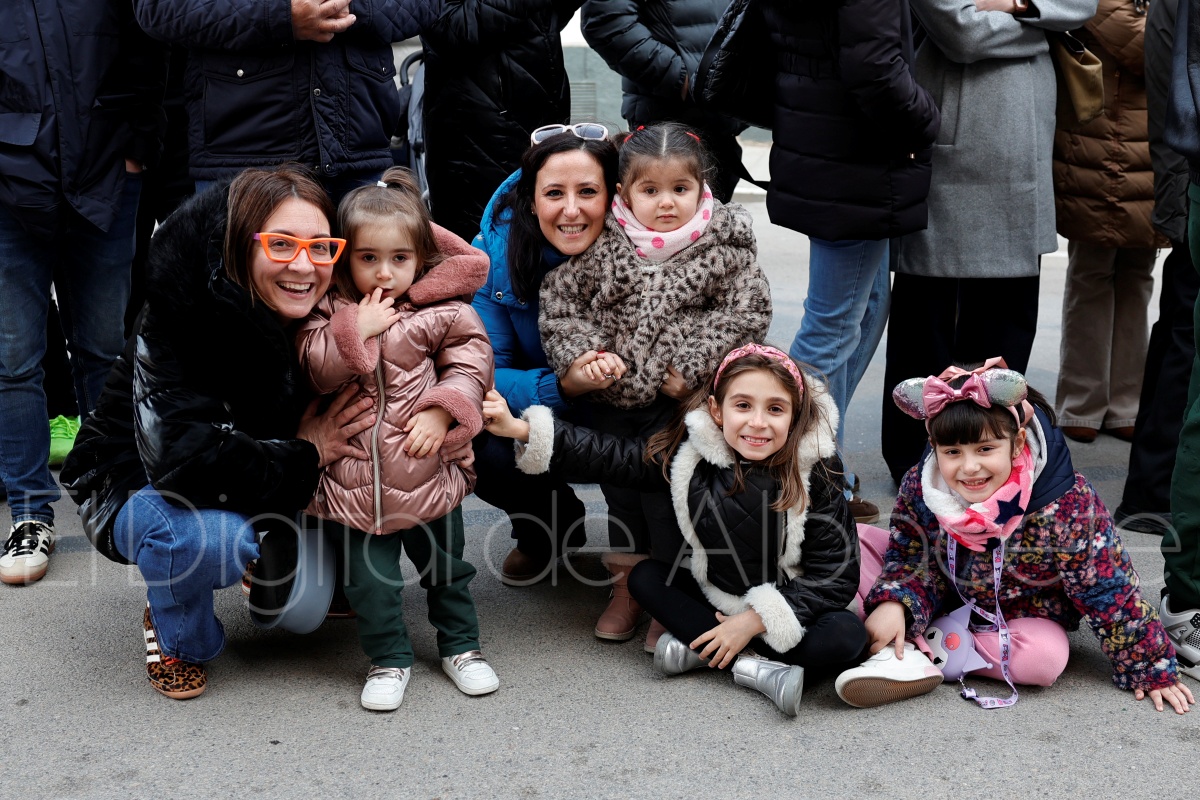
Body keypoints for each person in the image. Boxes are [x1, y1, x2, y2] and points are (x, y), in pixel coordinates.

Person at [61, 166, 379, 699]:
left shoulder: (331, 303)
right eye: (281, 244)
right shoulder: (181, 313)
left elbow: (415, 241)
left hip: (247, 462)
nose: (304, 265)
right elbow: (185, 461)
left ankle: (285, 561)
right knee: (207, 541)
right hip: (136, 481)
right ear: (239, 244)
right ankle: (178, 633)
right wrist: (306, 450)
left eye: (320, 246)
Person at [482, 344, 867, 716]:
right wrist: (521, 429)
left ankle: (716, 654)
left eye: (776, 409)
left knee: (847, 637)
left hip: (789, 606)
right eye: (743, 405)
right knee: (646, 577)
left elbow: (835, 576)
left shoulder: (817, 469)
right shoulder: (691, 454)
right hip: (719, 598)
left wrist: (752, 622)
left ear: (796, 414)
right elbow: (611, 456)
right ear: (716, 410)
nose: (757, 422)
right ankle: (757, 668)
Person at [836, 361, 1194, 714]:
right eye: (952, 452)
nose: (969, 467)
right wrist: (896, 602)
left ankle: (918, 651)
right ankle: (901, 635)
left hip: (1016, 619)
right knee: (851, 541)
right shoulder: (922, 483)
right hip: (940, 593)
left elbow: (1105, 587)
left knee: (1044, 658)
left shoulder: (1066, 502)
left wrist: (1149, 666)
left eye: (985, 449)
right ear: (934, 445)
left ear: (1017, 441)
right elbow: (910, 556)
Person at [539, 122, 772, 646]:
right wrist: (585, 357)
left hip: (679, 404)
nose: (666, 203)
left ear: (702, 187)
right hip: (614, 402)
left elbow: (746, 312)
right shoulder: (605, 245)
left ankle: (667, 594)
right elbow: (562, 306)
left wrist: (693, 366)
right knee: (621, 496)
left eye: (680, 189)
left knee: (672, 497)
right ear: (624, 193)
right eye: (650, 190)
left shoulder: (723, 246)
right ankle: (626, 587)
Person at [295, 168, 496, 711]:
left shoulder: (444, 311)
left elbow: (472, 364)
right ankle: (388, 658)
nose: (384, 272)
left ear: (421, 257)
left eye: (400, 258)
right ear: (344, 257)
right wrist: (354, 331)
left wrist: (443, 410)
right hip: (354, 483)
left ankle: (462, 647)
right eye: (368, 258)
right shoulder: (327, 310)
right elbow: (314, 369)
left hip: (428, 471)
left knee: (449, 571)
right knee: (370, 584)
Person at [880, 0, 1098, 482]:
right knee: (927, 326)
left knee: (1007, 330)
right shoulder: (1033, 37)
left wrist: (1014, 4)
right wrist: (1040, 26)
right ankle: (916, 467)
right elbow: (962, 32)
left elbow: (1082, 5)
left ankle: (995, 457)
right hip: (960, 151)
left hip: (1025, 145)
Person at [0, 0, 167, 586]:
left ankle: (116, 496)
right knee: (13, 359)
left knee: (104, 348)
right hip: (9, 184)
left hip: (105, 170)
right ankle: (30, 513)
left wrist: (138, 146)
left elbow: (148, 48)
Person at [759, 0, 940, 520]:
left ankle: (820, 459)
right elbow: (875, 67)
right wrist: (928, 118)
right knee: (831, 327)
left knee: (862, 313)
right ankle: (801, 473)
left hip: (827, 142)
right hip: (854, 156)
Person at [470, 128, 622, 587]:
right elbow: (484, 372)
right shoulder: (492, 257)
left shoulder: (650, 249)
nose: (571, 210)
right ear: (531, 201)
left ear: (613, 197)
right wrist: (562, 386)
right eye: (554, 193)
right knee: (474, 437)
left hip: (625, 405)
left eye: (588, 192)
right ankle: (549, 528)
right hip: (542, 404)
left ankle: (645, 555)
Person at [133, 0, 440, 199]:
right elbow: (160, 9)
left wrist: (341, 7)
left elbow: (426, 5)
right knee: (239, 283)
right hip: (243, 160)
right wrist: (280, 15)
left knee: (364, 285)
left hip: (358, 153)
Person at [1052, 0, 1163, 444]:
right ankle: (1082, 402)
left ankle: (1126, 404)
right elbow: (1148, 48)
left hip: (1151, 149)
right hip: (1098, 149)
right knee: (1091, 274)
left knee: (1137, 276)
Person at [1114, 0, 1198, 535]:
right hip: (1191, 182)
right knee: (1184, 340)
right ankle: (1153, 490)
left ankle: (1152, 488)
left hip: (1185, 178)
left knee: (1178, 335)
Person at [422, 0, 584, 241]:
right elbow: (448, 26)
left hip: (535, 115)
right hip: (475, 134)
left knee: (537, 240)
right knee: (482, 246)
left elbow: (547, 19)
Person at [580, 0, 746, 203]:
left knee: (715, 213)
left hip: (722, 110)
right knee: (665, 209)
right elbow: (606, 20)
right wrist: (683, 80)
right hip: (670, 115)